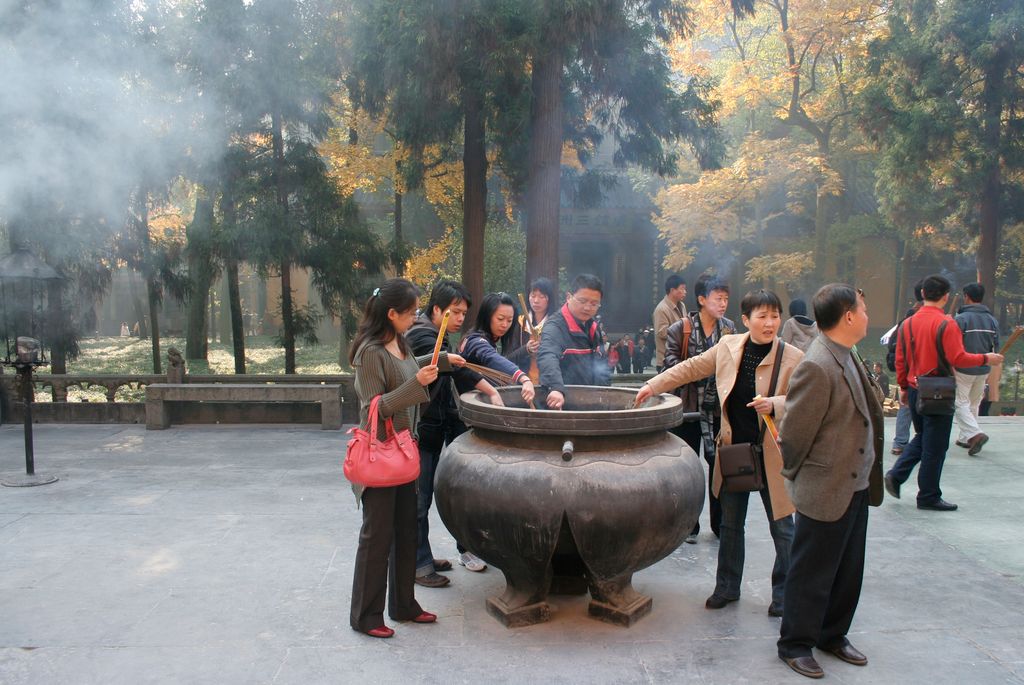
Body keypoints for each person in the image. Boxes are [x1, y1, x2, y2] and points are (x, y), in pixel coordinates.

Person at [636, 289, 803, 616]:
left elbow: (803, 400)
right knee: (730, 525)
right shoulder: (728, 347)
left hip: (772, 455)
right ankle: (727, 587)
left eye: (774, 316)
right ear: (746, 320)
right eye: (762, 316)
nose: (770, 323)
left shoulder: (793, 357)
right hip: (735, 452)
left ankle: (784, 594)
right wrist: (654, 385)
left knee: (783, 528)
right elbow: (691, 368)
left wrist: (776, 404)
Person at [776, 284, 885, 679]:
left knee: (847, 567)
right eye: (864, 309)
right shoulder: (818, 364)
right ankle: (795, 643)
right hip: (826, 486)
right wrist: (801, 476)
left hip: (855, 483)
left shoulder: (848, 353)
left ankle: (832, 634)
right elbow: (794, 435)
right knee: (811, 570)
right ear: (849, 316)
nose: (868, 315)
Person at [348, 278, 440, 638]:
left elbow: (412, 376)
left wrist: (444, 361)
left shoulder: (399, 343)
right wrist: (417, 383)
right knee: (377, 537)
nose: (416, 318)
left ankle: (404, 605)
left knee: (406, 530)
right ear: (391, 314)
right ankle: (366, 615)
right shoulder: (370, 352)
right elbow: (377, 407)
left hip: (404, 451)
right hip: (379, 453)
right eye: (412, 312)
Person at [406, 280, 500, 586]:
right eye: (454, 312)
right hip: (423, 429)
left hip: (440, 423)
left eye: (463, 313)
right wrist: (491, 390)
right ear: (437, 310)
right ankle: (418, 565)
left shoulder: (439, 335)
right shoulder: (423, 334)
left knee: (430, 496)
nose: (460, 318)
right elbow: (448, 368)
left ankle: (426, 556)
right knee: (420, 500)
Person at [887, 275, 1004, 511]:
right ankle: (928, 495)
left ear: (922, 294)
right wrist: (986, 358)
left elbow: (901, 359)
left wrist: (902, 386)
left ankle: (897, 475)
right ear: (945, 296)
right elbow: (958, 358)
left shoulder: (908, 323)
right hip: (938, 391)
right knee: (936, 445)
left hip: (913, 388)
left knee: (923, 437)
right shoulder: (946, 323)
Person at [663, 273, 736, 541]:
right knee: (687, 471)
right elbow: (669, 365)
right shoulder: (680, 329)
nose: (723, 304)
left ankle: (720, 524)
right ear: (702, 299)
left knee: (719, 466)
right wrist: (700, 368)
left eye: (726, 299)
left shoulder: (729, 329)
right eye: (718, 298)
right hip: (689, 410)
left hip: (717, 408)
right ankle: (687, 525)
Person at [538, 273, 611, 409]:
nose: (588, 308)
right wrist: (555, 388)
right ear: (568, 297)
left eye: (594, 304)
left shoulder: (593, 327)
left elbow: (602, 363)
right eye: (582, 301)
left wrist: (605, 393)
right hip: (563, 403)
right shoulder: (555, 326)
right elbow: (548, 356)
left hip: (592, 404)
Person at [461, 292, 537, 406]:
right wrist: (523, 378)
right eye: (500, 319)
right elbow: (490, 357)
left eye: (509, 320)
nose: (505, 325)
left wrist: (526, 350)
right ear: (487, 316)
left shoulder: (492, 340)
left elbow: (503, 362)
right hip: (470, 407)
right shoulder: (475, 340)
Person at [953, 283, 999, 455]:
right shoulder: (992, 320)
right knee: (973, 403)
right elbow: (996, 346)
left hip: (964, 367)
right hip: (984, 367)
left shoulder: (961, 319)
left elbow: (954, 345)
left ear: (966, 296)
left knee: (960, 403)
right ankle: (966, 438)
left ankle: (974, 434)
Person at [888, 280, 924, 456]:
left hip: (909, 373)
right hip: (926, 374)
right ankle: (921, 441)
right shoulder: (932, 319)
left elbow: (899, 354)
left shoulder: (907, 319)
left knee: (906, 407)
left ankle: (900, 442)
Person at [507, 277, 555, 383]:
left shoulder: (555, 323)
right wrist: (526, 349)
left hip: (549, 384)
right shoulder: (521, 323)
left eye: (542, 297)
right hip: (524, 383)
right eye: (533, 296)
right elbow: (508, 358)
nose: (536, 301)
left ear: (549, 299)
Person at [653, 274, 687, 371]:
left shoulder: (682, 305)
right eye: (682, 289)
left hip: (679, 358)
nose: (685, 292)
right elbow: (661, 333)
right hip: (666, 360)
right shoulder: (662, 309)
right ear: (672, 290)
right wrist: (683, 329)